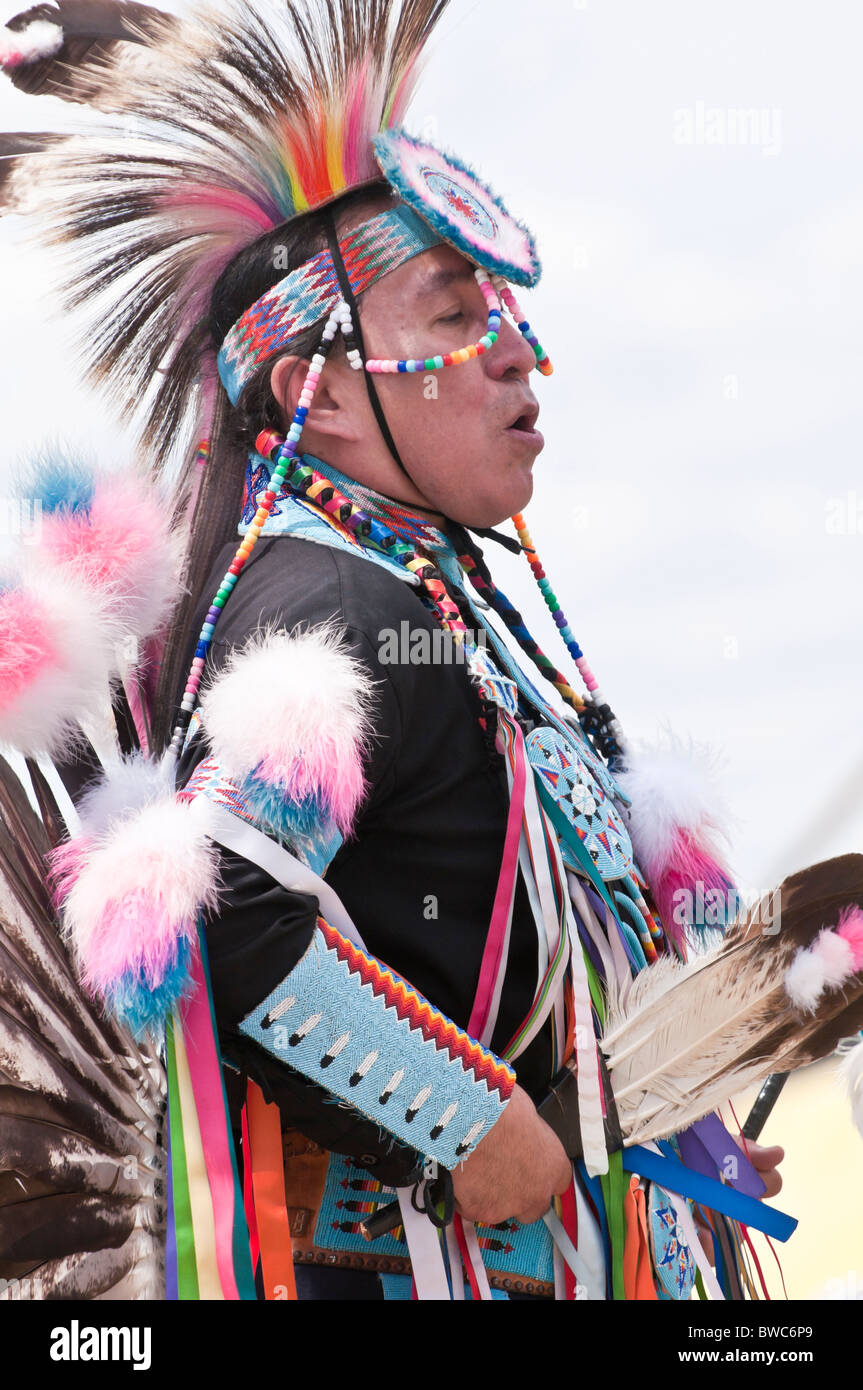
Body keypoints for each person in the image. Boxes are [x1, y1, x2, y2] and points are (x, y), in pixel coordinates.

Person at [0, 0, 795, 1303]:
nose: (518, 363)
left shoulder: (433, 618)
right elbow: (230, 906)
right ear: (311, 376)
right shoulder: (327, 613)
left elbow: (527, 981)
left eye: (512, 320)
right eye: (456, 315)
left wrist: (663, 1139)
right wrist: (469, 1128)